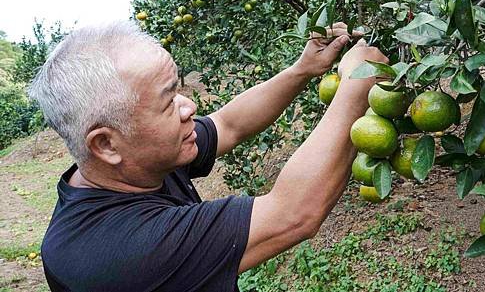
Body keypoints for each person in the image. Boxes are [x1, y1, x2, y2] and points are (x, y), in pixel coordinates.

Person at [28, 20, 387, 292]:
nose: (189, 106)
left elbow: (228, 124)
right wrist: (357, 87)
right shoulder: (120, 251)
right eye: (169, 101)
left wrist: (302, 69)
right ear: (105, 144)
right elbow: (294, 213)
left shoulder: (134, 161)